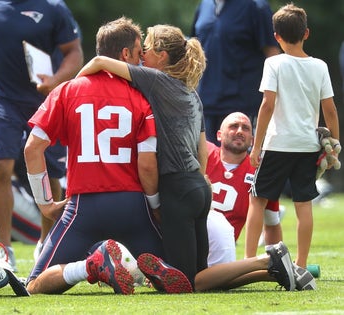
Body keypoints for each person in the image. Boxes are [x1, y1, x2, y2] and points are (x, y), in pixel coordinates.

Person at [24, 17, 165, 295]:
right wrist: (156, 207)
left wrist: (45, 204)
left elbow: (32, 148)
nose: (141, 62)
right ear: (125, 54)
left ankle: (91, 267)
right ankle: (151, 267)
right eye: (138, 54)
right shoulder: (141, 96)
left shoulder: (66, 91)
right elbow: (147, 165)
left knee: (34, 286)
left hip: (84, 206)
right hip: (134, 205)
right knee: (172, 270)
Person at [77, 24, 212, 291]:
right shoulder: (191, 92)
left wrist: (74, 91)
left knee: (187, 280)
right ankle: (262, 267)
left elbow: (99, 61)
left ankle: (264, 266)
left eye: (147, 50)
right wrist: (198, 182)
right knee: (200, 274)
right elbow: (202, 150)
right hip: (198, 187)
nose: (142, 57)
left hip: (178, 190)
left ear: (161, 56)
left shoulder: (156, 80)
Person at [0, 0, 84, 269]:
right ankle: (4, 249)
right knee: (0, 168)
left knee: (50, 172)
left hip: (43, 100)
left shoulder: (53, 7)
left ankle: (46, 242)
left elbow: (74, 52)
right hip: (1, 99)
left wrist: (56, 80)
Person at [245, 4, 340, 270]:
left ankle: (249, 260)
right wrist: (335, 143)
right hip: (307, 145)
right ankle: (301, 263)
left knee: (258, 199)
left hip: (278, 144)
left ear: (276, 36)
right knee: (303, 204)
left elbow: (267, 105)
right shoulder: (319, 66)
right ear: (306, 33)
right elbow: (330, 110)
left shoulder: (273, 63)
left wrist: (257, 145)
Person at [191, 0, 280, 144]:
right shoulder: (204, 5)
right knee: (208, 165)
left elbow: (273, 56)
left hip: (243, 110)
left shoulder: (256, 7)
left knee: (244, 166)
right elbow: (194, 52)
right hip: (205, 107)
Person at [206, 112, 282, 266]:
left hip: (221, 252)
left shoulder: (261, 174)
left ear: (252, 140)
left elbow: (272, 223)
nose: (240, 131)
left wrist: (279, 261)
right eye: (234, 126)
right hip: (189, 241)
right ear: (219, 135)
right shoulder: (203, 153)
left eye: (246, 128)